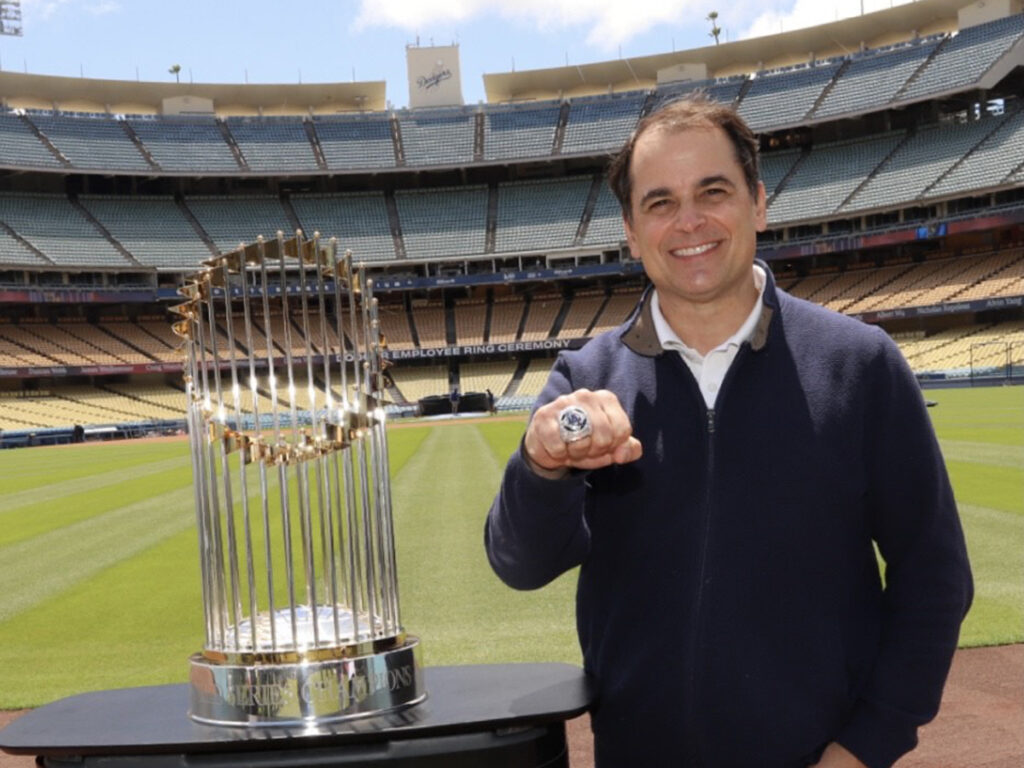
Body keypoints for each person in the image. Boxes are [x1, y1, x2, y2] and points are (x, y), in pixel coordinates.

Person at [484, 97, 972, 768]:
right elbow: (520, 564)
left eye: (712, 192)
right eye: (659, 203)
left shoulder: (860, 365)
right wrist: (541, 465)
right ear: (631, 230)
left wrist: (865, 748)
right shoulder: (587, 379)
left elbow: (934, 577)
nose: (689, 222)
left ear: (758, 204)